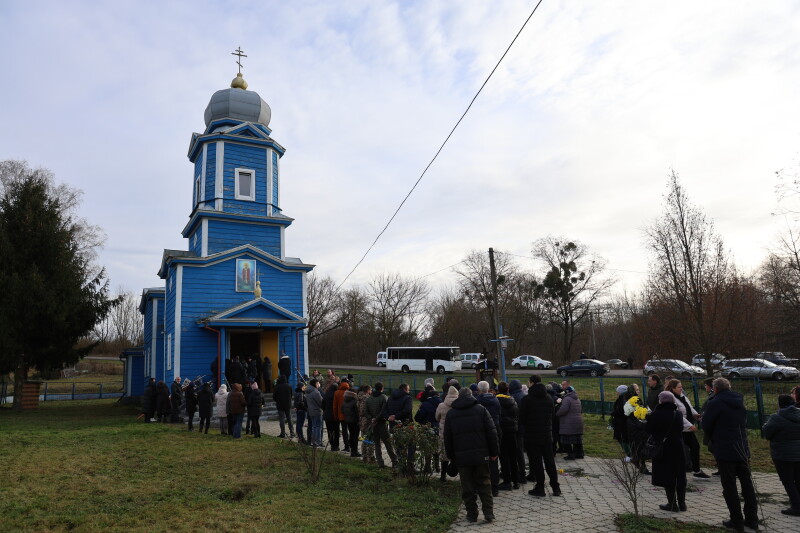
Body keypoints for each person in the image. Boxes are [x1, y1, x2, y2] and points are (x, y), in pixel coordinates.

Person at [702, 377, 758, 531]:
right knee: (747, 485)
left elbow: (706, 424)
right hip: (741, 448)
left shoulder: (715, 403)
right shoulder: (739, 401)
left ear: (716, 389)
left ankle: (737, 521)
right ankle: (752, 519)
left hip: (725, 449)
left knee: (730, 487)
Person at [444, 387, 500, 523]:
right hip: (481, 455)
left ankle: (471, 514)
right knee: (485, 484)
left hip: (461, 457)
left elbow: (447, 437)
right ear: (472, 395)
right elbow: (492, 433)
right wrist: (494, 453)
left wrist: (451, 456)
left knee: (467, 486)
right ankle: (488, 513)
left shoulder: (451, 414)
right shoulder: (481, 410)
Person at [646, 391, 688, 512]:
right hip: (678, 447)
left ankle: (672, 504)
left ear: (661, 401)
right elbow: (680, 428)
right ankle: (682, 504)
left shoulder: (656, 414)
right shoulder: (678, 413)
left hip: (663, 449)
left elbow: (649, 429)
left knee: (667, 476)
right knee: (679, 475)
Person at [519, 381, 561, 497]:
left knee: (536, 463)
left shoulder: (527, 400)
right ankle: (556, 487)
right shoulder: (548, 399)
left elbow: (521, 418)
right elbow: (552, 416)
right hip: (547, 436)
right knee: (550, 462)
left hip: (532, 437)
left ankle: (540, 487)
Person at [762, 394, 800, 516]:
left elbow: (767, 433)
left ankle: (796, 506)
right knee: (798, 479)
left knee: (788, 480)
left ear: (780, 404)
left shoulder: (777, 418)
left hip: (783, 455)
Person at [664, 379, 710, 478]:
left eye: (681, 387)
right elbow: (677, 415)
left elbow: (689, 407)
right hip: (679, 428)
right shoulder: (670, 399)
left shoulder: (682, 396)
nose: (681, 389)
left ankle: (697, 471)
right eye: (679, 387)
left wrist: (695, 414)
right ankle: (675, 470)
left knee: (695, 446)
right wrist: (689, 425)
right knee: (679, 450)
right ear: (672, 388)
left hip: (687, 429)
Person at [475, 381, 501, 495]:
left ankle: (482, 487)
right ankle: (495, 488)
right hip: (495, 430)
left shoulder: (477, 401)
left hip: (481, 433)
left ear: (479, 389)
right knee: (494, 459)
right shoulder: (495, 400)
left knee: (481, 461)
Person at [496, 381, 521, 490]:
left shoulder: (496, 401)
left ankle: (507, 481)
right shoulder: (513, 401)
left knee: (504, 457)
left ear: (498, 390)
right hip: (512, 432)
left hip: (502, 432)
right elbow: (517, 415)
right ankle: (516, 481)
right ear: (508, 390)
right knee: (513, 457)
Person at [366, 381, 396, 468]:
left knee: (377, 444)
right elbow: (384, 410)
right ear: (382, 388)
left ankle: (380, 463)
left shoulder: (369, 399)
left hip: (373, 424)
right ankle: (394, 461)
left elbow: (366, 411)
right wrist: (377, 419)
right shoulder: (383, 397)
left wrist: (371, 418)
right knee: (388, 444)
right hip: (381, 423)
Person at [435, 384, 460, 482]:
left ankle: (443, 476)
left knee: (444, 456)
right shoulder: (459, 406)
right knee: (458, 454)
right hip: (457, 434)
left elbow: (436, 417)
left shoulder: (441, 406)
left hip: (444, 434)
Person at [556, 385, 584, 460]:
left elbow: (563, 410)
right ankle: (579, 453)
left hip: (568, 423)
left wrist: (557, 414)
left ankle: (570, 455)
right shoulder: (577, 399)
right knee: (577, 439)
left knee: (566, 439)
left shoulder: (567, 399)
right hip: (578, 422)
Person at [509, 379, 527, 483]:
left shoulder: (513, 398)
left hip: (516, 428)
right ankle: (523, 475)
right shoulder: (525, 396)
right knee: (521, 452)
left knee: (516, 452)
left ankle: (518, 475)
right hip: (524, 428)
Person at [341, 385, 361, 458]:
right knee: (355, 437)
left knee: (351, 435)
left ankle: (352, 450)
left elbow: (342, 410)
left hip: (348, 420)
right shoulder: (355, 402)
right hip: (355, 421)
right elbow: (357, 412)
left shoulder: (344, 401)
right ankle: (354, 452)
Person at [612, 385, 631, 458]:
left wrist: (613, 413)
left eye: (617, 391)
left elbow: (620, 411)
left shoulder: (623, 400)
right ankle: (629, 454)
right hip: (620, 423)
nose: (616, 392)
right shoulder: (622, 399)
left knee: (623, 439)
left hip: (621, 423)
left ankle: (629, 455)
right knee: (621, 439)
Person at [357, 385, 375, 463]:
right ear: (368, 390)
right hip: (367, 420)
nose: (371, 391)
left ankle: (364, 456)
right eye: (370, 390)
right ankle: (370, 457)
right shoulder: (366, 398)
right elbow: (364, 410)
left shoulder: (359, 398)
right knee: (370, 439)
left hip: (361, 420)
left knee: (364, 438)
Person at [304, 379, 324, 446]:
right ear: (315, 384)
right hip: (317, 411)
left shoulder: (308, 391)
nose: (319, 384)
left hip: (311, 411)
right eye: (318, 383)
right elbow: (321, 403)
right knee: (318, 427)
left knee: (313, 427)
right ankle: (317, 442)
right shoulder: (316, 392)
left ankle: (313, 441)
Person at [334, 380, 351, 452]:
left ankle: (344, 446)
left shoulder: (337, 393)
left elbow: (335, 406)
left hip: (340, 415)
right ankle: (350, 446)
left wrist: (335, 416)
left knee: (343, 431)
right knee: (350, 431)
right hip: (350, 415)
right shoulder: (350, 392)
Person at [323, 382, 340, 451]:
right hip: (334, 415)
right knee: (336, 431)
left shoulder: (326, 394)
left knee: (329, 430)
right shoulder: (335, 394)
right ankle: (336, 445)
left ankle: (331, 443)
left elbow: (323, 404)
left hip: (327, 415)